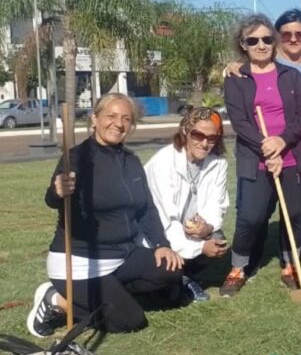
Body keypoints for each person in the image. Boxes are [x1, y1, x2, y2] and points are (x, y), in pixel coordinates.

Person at [25, 94, 183, 337]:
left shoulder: (131, 161)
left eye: (126, 118)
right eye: (110, 116)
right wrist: (58, 191)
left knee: (171, 272)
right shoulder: (77, 158)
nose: (118, 124)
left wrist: (162, 244)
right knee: (130, 320)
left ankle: (111, 294)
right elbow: (53, 199)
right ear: (94, 119)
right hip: (80, 262)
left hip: (123, 256)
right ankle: (56, 299)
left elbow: (146, 209)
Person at [220, 14, 301, 296]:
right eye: (253, 40)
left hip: (291, 156)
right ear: (243, 44)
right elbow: (239, 121)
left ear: (274, 42)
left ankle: (289, 264)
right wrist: (266, 145)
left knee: (294, 214)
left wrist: (282, 141)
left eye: (266, 39)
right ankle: (238, 267)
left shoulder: (290, 75)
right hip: (256, 159)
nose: (261, 45)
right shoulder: (237, 78)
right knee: (251, 216)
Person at [144, 106, 230, 302]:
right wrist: (200, 248)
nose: (205, 143)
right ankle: (179, 278)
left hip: (188, 230)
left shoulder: (218, 164)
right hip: (155, 235)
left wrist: (206, 227)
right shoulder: (164, 163)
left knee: (218, 238)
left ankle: (188, 275)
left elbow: (217, 205)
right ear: (185, 131)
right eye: (198, 135)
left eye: (212, 138)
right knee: (168, 289)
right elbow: (166, 220)